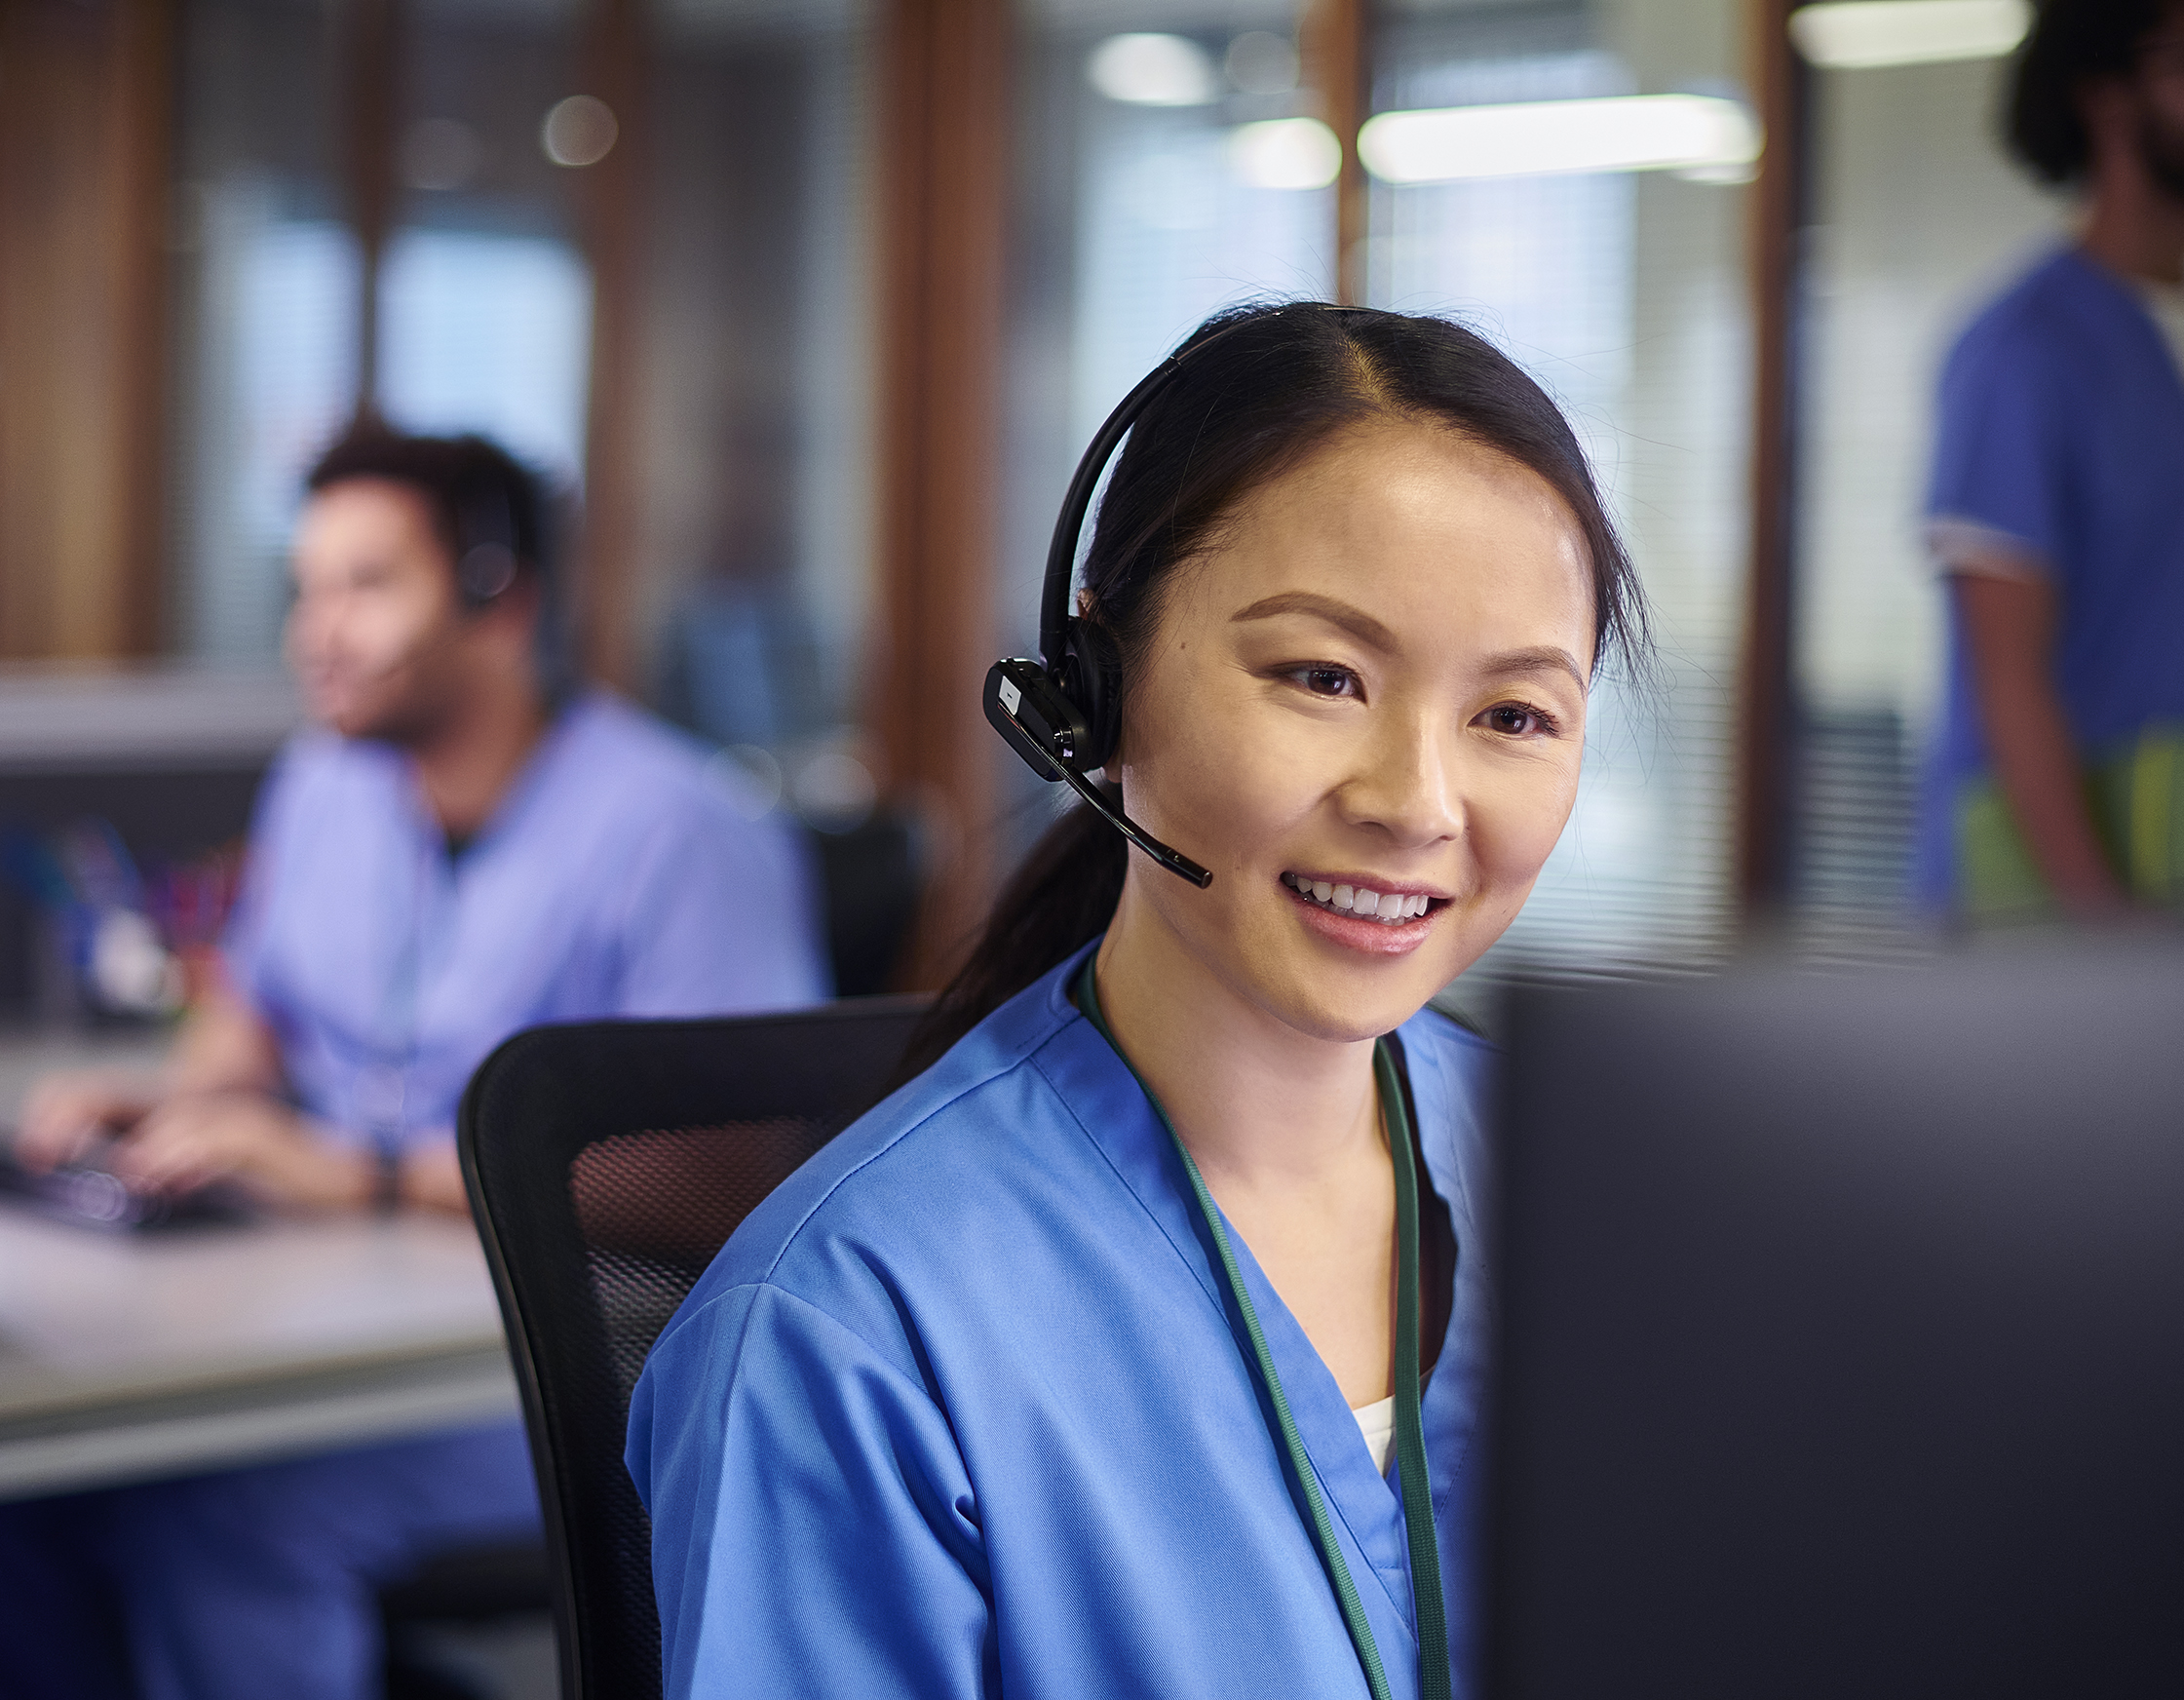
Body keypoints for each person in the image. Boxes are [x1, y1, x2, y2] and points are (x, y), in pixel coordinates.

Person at [627, 303, 1647, 1697]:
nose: (1416, 804)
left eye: (1515, 716)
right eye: (1321, 677)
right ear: (1096, 693)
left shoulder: (1619, 1195)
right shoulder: (847, 1328)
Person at [1, 427, 828, 1699]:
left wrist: (366, 1174)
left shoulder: (683, 829)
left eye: (365, 587)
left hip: (595, 1355)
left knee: (226, 1515)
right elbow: (256, 1001)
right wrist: (186, 1100)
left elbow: (719, 1179)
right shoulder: (327, 783)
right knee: (42, 1505)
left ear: (503, 601)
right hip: (340, 1297)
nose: (311, 632)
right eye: (305, 587)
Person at [1920, 0, 2184, 920]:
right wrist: (2104, 936)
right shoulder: (2021, 352)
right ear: (2106, 98)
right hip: (2051, 918)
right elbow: (2007, 676)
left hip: (2182, 889)